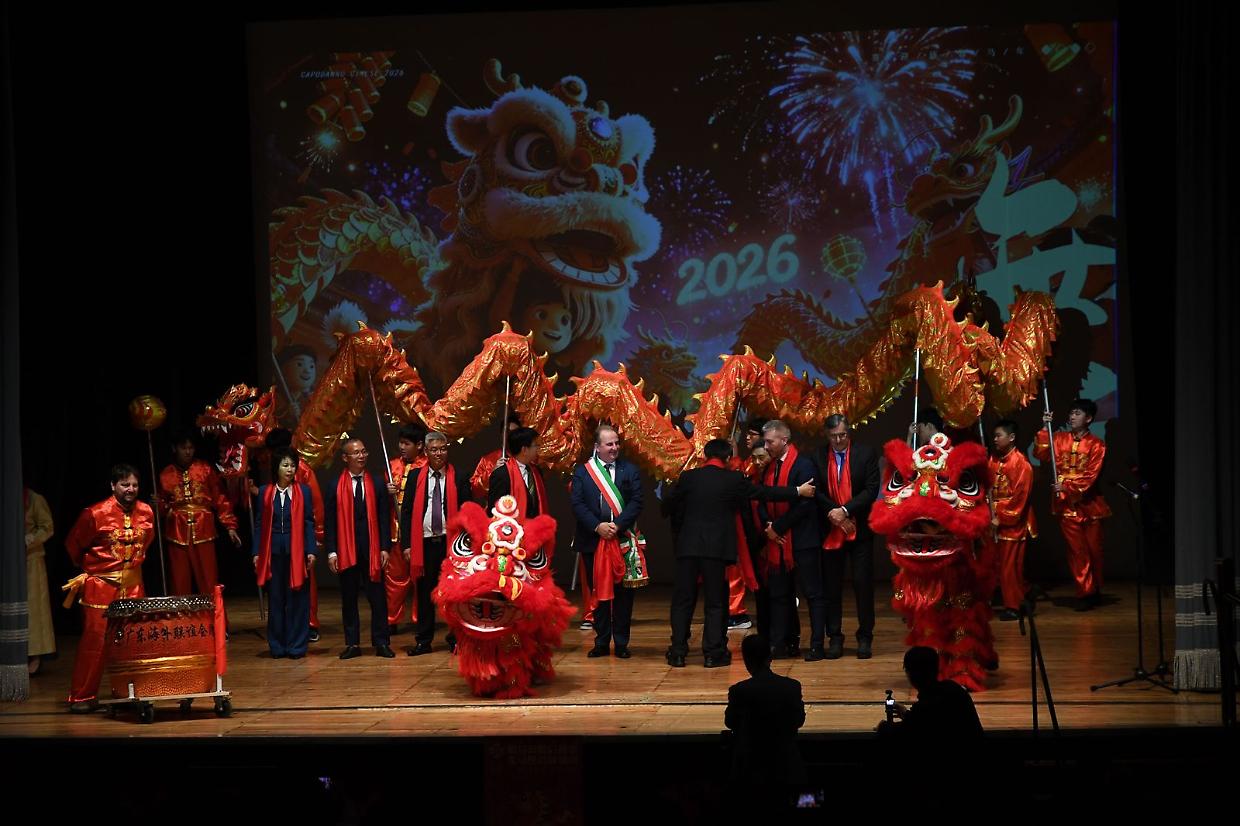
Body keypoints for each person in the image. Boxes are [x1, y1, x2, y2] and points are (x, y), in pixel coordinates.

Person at [663, 439, 815, 667]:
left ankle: (677, 652)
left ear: (705, 455)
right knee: (716, 602)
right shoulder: (733, 479)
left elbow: (668, 505)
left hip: (688, 547)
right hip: (716, 549)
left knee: (683, 600)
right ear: (727, 458)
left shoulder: (688, 477)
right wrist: (797, 490)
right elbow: (764, 493)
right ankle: (713, 653)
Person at [62, 464, 154, 712]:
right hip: (101, 587)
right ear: (113, 486)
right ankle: (82, 696)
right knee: (95, 642)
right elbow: (73, 545)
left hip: (133, 587)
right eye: (125, 484)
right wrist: (94, 570)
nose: (130, 489)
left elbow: (147, 541)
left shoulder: (146, 511)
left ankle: (130, 693)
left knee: (134, 641)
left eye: (134, 485)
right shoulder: (95, 513)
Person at [571, 425, 644, 659]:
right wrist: (598, 526)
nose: (614, 448)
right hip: (593, 540)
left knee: (624, 595)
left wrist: (617, 525)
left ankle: (621, 643)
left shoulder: (629, 469)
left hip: (622, 539)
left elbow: (637, 501)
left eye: (616, 443)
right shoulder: (583, 472)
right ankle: (601, 641)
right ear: (597, 447)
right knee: (598, 592)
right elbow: (577, 504)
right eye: (609, 444)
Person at [812, 413, 881, 659]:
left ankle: (865, 637)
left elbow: (871, 490)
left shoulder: (865, 453)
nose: (839, 440)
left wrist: (845, 511)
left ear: (848, 432)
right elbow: (816, 490)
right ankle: (835, 637)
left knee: (863, 584)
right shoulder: (818, 455)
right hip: (831, 528)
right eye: (834, 436)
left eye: (843, 435)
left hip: (859, 528)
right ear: (826, 435)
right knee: (832, 586)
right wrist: (834, 513)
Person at [757, 420, 825, 660]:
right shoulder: (769, 467)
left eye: (770, 442)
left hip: (802, 540)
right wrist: (768, 526)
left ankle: (817, 645)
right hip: (776, 541)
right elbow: (762, 498)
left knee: (813, 594)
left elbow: (805, 505)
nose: (766, 446)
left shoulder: (804, 465)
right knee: (779, 595)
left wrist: (777, 527)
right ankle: (781, 644)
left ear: (784, 440)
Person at [399, 431, 472, 655]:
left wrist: (467, 544)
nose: (439, 453)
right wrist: (407, 545)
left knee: (455, 594)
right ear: (426, 452)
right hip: (424, 544)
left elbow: (467, 512)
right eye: (434, 449)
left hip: (452, 545)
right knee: (425, 594)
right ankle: (423, 640)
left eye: (443, 449)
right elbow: (407, 512)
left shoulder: (459, 476)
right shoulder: (415, 476)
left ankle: (456, 637)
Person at [1034, 399, 1111, 610]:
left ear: (1089, 418)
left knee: (1094, 550)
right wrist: (1045, 428)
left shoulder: (1097, 445)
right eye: (1071, 413)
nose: (1072, 417)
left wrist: (1067, 486)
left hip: (1090, 504)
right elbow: (1040, 454)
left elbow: (1091, 476)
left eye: (1077, 413)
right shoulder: (1059, 439)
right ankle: (1085, 592)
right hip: (1066, 505)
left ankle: (1095, 588)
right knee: (1077, 551)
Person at [324, 438, 394, 659]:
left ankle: (381, 642)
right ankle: (352, 643)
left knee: (378, 598)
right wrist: (332, 551)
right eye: (356, 453)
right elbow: (330, 522)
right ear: (345, 458)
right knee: (349, 599)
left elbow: (384, 518)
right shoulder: (334, 485)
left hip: (372, 549)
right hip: (346, 550)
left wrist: (385, 547)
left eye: (364, 451)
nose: (362, 456)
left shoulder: (377, 483)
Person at [157, 431, 241, 597]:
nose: (188, 452)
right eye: (183, 448)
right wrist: (158, 505)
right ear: (175, 449)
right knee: (179, 579)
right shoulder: (166, 474)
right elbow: (162, 506)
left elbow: (220, 498)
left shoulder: (205, 469)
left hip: (203, 528)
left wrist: (230, 526)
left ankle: (212, 611)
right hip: (177, 530)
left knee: (208, 576)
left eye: (190, 448)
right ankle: (181, 613)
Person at [252, 448, 317, 658]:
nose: (290, 470)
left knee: (298, 599)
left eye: (292, 465)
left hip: (297, 552)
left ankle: (297, 646)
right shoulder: (265, 492)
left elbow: (309, 522)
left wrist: (311, 550)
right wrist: (256, 552)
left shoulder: (303, 491)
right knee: (276, 599)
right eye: (285, 465)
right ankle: (277, 645)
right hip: (273, 553)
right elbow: (259, 524)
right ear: (276, 468)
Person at [265, 428, 326, 642]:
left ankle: (309, 623)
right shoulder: (274, 469)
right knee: (279, 584)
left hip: (300, 537)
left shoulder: (303, 470)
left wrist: (317, 537)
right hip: (279, 539)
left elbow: (315, 506)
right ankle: (286, 627)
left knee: (305, 580)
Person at [725, 634, 806, 793]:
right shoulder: (792, 686)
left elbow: (730, 722)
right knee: (805, 802)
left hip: (750, 772)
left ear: (746, 660)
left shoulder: (739, 690)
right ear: (770, 657)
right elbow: (799, 720)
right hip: (787, 768)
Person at [876, 646, 983, 740]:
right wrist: (907, 714)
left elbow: (913, 727)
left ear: (910, 674)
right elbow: (925, 722)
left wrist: (883, 726)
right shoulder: (954, 689)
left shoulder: (925, 706)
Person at [987, 420, 1037, 620]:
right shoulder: (993, 460)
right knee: (998, 565)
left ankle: (1014, 606)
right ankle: (1024, 594)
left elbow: (1019, 499)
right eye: (994, 435)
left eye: (999, 435)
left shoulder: (1021, 464)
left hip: (1012, 523)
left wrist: (999, 515)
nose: (995, 439)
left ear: (1012, 437)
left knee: (1010, 567)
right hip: (993, 520)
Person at [385, 424, 427, 636]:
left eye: (406, 443)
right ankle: (391, 619)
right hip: (396, 532)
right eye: (400, 443)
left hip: (420, 533)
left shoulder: (428, 466)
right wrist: (386, 491)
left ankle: (421, 619)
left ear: (419, 445)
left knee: (421, 579)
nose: (402, 447)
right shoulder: (391, 466)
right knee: (395, 579)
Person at [24, 488, 56, 675]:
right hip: (8, 561)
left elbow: (47, 526)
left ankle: (35, 655)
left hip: (31, 558)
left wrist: (30, 539)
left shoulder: (34, 499)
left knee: (35, 608)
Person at [487, 427, 547, 518]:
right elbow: (494, 510)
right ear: (524, 450)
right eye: (536, 445)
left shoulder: (536, 471)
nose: (539, 449)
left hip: (535, 525)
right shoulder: (502, 474)